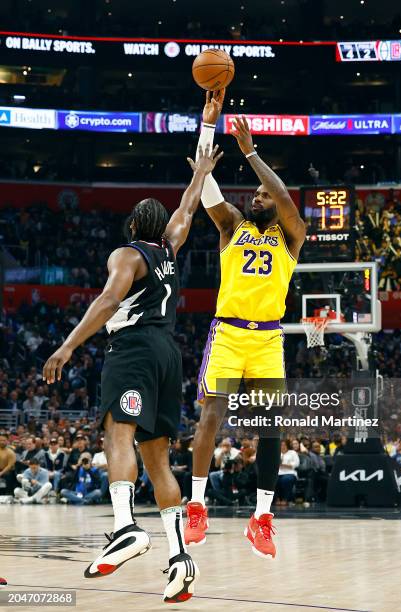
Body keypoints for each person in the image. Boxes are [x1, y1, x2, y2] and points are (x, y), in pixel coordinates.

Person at [42, 144, 223, 603]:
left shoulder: (128, 254)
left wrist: (67, 346)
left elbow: (106, 302)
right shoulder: (171, 246)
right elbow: (186, 206)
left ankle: (125, 527)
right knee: (158, 458)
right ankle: (181, 558)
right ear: (162, 229)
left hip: (134, 349)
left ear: (132, 226)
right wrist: (202, 169)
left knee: (116, 435)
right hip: (168, 353)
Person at [185, 91, 306, 559]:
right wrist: (207, 124)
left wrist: (252, 152)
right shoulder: (231, 226)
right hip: (230, 333)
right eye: (253, 194)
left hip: (268, 339)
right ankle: (197, 508)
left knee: (272, 427)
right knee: (211, 417)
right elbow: (205, 181)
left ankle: (261, 520)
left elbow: (283, 198)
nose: (255, 197)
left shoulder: (291, 234)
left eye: (260, 195)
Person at [276, 439, 300, 505]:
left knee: (286, 480)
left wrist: (283, 465)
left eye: (284, 445)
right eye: (281, 445)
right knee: (274, 480)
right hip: (277, 473)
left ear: (288, 445)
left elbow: (296, 464)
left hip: (290, 473)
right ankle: (277, 498)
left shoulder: (293, 453)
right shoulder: (276, 453)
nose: (282, 447)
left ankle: (285, 499)